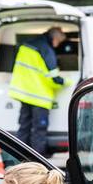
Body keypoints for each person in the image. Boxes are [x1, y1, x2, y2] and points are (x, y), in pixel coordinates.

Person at [10, 27, 67, 157]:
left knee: (24, 126)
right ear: (54, 38)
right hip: (39, 97)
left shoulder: (27, 45)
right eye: (58, 42)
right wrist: (66, 82)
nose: (58, 45)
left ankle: (18, 156)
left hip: (24, 94)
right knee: (39, 129)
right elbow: (54, 78)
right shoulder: (46, 49)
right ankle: (38, 158)